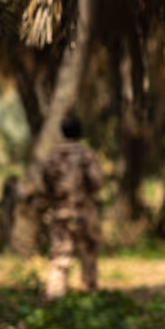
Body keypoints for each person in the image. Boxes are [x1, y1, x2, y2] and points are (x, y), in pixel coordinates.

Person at [41, 113, 104, 299]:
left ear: (62, 131)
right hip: (84, 211)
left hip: (61, 211)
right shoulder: (86, 155)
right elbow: (97, 181)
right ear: (80, 132)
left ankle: (55, 294)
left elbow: (46, 183)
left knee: (59, 254)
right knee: (88, 253)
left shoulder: (52, 156)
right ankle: (90, 293)